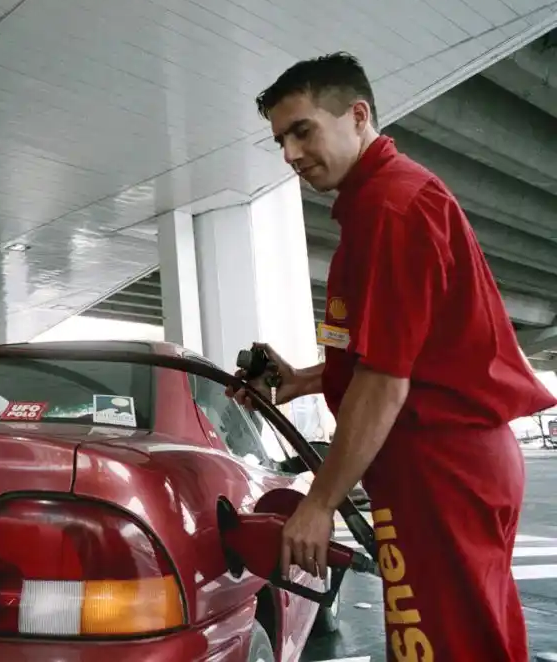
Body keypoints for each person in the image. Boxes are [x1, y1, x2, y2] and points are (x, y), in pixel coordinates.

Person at [235, 52, 556, 661]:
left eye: (302, 130)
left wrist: (318, 503)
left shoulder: (391, 208)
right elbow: (391, 356)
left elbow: (386, 383)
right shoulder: (378, 203)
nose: (290, 154)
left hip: (441, 466)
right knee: (465, 637)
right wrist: (300, 381)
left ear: (357, 116)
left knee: (441, 645)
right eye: (280, 139)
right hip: (442, 464)